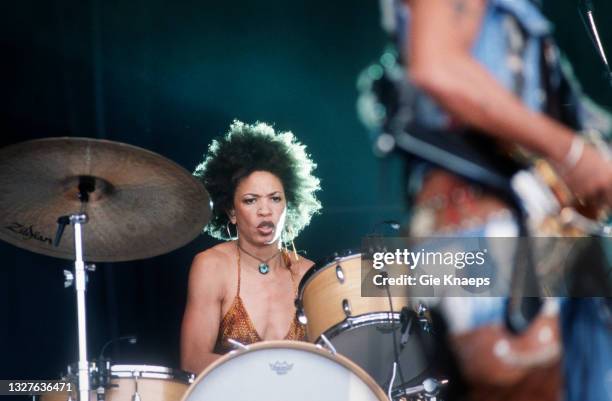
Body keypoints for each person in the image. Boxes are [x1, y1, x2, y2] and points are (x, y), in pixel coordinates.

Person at [361, 0, 612, 399]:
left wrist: (592, 151)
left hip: (512, 227)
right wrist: (573, 155)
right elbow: (436, 68)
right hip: (477, 225)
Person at [180, 120, 321, 374]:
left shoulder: (307, 274)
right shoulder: (212, 266)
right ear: (232, 211)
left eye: (275, 199)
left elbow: (331, 361)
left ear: (288, 206)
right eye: (250, 200)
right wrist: (261, 376)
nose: (265, 210)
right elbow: (192, 359)